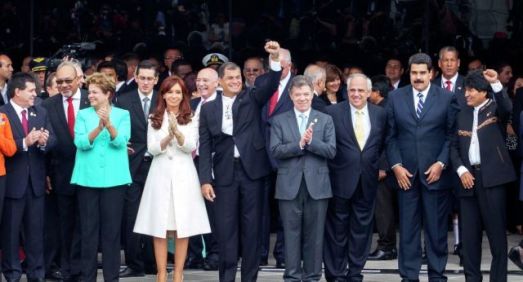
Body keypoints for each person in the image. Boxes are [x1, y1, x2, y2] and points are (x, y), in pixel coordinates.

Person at [198, 41, 281, 281]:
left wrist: (274, 58)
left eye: (238, 77)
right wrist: (205, 180)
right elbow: (205, 147)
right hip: (224, 174)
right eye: (231, 77)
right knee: (226, 231)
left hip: (252, 173)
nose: (236, 80)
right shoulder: (208, 108)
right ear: (220, 81)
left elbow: (273, 82)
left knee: (252, 230)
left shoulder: (252, 98)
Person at [386, 53, 459, 282]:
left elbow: (451, 136)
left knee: (436, 231)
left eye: (422, 73)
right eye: (414, 73)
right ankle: (409, 276)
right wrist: (396, 165)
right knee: (407, 230)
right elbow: (390, 137)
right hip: (405, 175)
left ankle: (437, 276)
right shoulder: (395, 97)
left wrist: (441, 162)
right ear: (409, 73)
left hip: (436, 174)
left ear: (431, 73)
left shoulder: (446, 98)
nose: (418, 77)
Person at [134, 75, 210, 282]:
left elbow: (191, 146)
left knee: (182, 227)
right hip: (159, 174)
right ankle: (161, 272)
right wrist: (168, 136)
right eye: (170, 92)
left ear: (183, 95)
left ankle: (178, 272)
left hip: (184, 175)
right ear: (164, 95)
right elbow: (152, 148)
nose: (174, 96)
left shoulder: (191, 116)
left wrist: (178, 133)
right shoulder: (154, 117)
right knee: (159, 226)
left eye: (178, 92)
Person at [450, 69, 515, 282]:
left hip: (493, 181)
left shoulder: (496, 108)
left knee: (497, 239)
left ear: (483, 92)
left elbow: (508, 108)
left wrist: (496, 82)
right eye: (465, 90)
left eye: (471, 90)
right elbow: (453, 147)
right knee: (469, 240)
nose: (466, 94)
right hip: (467, 182)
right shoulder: (462, 113)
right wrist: (461, 170)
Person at [270, 75, 336, 281]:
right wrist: (298, 145)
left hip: (318, 185)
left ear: (312, 94)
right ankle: (291, 276)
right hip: (289, 185)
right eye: (297, 94)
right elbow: (275, 150)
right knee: (290, 234)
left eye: (306, 94)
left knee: (315, 236)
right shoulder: (279, 120)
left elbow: (331, 151)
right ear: (290, 95)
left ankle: (313, 276)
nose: (302, 98)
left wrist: (311, 142)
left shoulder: (325, 119)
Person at [323, 73, 387, 282]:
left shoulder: (380, 114)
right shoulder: (332, 112)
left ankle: (355, 273)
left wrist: (382, 166)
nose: (356, 94)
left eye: (361, 90)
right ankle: (336, 274)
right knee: (337, 232)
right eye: (352, 90)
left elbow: (386, 143)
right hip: (339, 181)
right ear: (346, 91)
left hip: (368, 181)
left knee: (362, 231)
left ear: (369, 92)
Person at [70, 72, 131, 282]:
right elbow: (80, 143)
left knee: (112, 233)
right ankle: (87, 277)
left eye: (95, 92)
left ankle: (111, 278)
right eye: (90, 92)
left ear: (108, 94)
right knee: (88, 232)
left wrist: (109, 124)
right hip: (87, 179)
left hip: (115, 180)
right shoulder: (83, 115)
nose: (90, 96)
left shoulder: (123, 114)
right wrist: (98, 128)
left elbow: (121, 142)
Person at [0, 72, 56, 282]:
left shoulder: (40, 112)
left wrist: (43, 141)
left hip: (36, 184)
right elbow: (4, 145)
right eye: (32, 90)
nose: (36, 94)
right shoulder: (2, 113)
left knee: (36, 233)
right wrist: (25, 141)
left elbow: (53, 140)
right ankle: (12, 274)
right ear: (17, 92)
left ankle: (37, 274)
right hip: (12, 184)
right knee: (11, 233)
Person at [42, 61, 90, 282]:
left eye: (67, 81)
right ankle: (68, 269)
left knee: (87, 223)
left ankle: (84, 269)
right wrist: (46, 174)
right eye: (59, 81)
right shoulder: (47, 105)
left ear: (79, 80)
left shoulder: (93, 99)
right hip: (61, 174)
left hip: (91, 174)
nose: (63, 85)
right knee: (65, 224)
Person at [115, 60, 159, 278]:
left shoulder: (164, 98)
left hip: (158, 165)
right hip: (131, 165)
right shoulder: (123, 100)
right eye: (142, 78)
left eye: (150, 78)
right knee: (132, 216)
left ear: (156, 80)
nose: (145, 82)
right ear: (136, 78)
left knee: (156, 215)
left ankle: (154, 262)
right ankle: (134, 263)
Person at [258, 46, 294, 269]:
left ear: (289, 65)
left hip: (287, 156)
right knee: (260, 210)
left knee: (285, 210)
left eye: (280, 65)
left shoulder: (299, 86)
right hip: (260, 155)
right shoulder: (262, 83)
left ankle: (282, 255)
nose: (277, 69)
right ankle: (260, 254)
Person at [185, 68, 221, 271]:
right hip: (190, 163)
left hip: (214, 163)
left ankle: (215, 253)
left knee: (212, 210)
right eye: (198, 80)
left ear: (217, 83)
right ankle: (194, 253)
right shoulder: (192, 104)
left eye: (206, 80)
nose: (201, 84)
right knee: (190, 209)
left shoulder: (222, 103)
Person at [367, 74, 398, 261]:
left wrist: (382, 168)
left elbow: (389, 141)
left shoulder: (384, 110)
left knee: (384, 209)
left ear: (376, 92)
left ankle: (387, 247)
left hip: (385, 170)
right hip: (388, 167)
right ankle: (387, 245)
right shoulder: (383, 107)